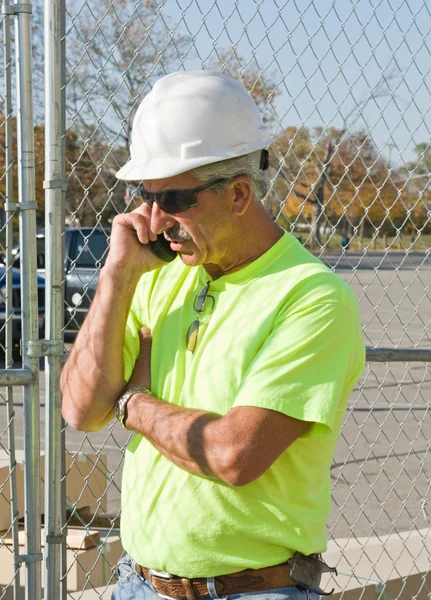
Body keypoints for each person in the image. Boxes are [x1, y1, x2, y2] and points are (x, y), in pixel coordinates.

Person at [61, 71, 365, 600]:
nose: (153, 220)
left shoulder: (310, 298)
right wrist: (115, 276)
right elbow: (82, 410)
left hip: (251, 591)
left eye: (175, 199)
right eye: (142, 194)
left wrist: (133, 402)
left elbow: (232, 455)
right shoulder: (156, 274)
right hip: (136, 584)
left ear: (240, 194)